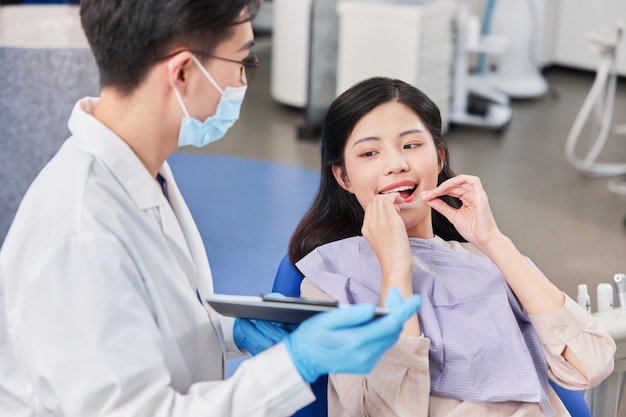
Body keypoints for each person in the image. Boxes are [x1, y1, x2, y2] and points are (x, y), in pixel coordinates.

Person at [0, 3, 423, 416]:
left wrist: (228, 329)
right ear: (183, 71)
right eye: (242, 62)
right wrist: (295, 365)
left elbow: (143, 327)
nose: (243, 80)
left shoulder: (141, 173)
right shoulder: (83, 232)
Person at [287, 76, 617, 416]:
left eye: (412, 145)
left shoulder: (488, 260)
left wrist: (493, 241)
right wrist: (396, 271)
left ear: (439, 158)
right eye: (370, 152)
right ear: (344, 178)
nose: (397, 164)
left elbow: (590, 364)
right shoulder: (329, 279)